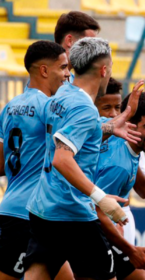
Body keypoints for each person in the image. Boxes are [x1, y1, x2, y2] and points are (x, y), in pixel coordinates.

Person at [24, 37, 140, 280]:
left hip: (43, 207)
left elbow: (67, 133)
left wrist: (107, 127)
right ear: (104, 70)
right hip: (73, 212)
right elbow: (62, 158)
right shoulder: (85, 108)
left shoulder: (62, 94)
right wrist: (101, 198)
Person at [0, 41, 70, 280]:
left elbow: (2, 162)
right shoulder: (49, 107)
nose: (67, 74)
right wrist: (112, 126)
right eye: (62, 68)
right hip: (26, 215)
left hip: (22, 209)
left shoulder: (9, 107)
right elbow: (78, 135)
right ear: (44, 70)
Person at [95, 89, 145, 280]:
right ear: (130, 126)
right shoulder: (119, 166)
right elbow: (95, 210)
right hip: (86, 233)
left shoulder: (129, 150)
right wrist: (130, 250)